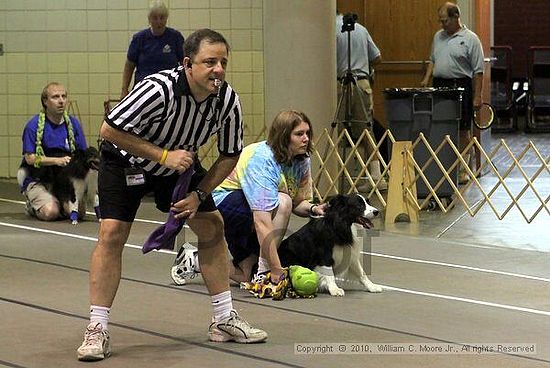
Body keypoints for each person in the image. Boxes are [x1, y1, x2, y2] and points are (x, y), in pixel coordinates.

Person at [76, 29, 267, 362]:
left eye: (223, 62)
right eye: (210, 62)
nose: (219, 69)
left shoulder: (227, 100)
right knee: (111, 233)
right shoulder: (156, 89)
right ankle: (97, 327)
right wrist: (163, 156)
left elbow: (230, 154)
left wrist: (199, 193)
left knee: (212, 226)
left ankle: (223, 319)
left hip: (178, 167)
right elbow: (108, 130)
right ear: (187, 64)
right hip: (125, 162)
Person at [173, 110, 327, 296]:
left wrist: (313, 208)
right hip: (224, 204)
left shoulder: (302, 160)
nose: (306, 139)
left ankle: (194, 260)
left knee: (246, 275)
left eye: (308, 133)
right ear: (284, 136)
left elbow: (298, 202)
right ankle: (263, 272)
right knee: (282, 201)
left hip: (255, 209)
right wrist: (275, 269)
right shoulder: (262, 159)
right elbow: (262, 219)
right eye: (299, 134)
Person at [420, 2, 484, 183]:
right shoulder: (438, 37)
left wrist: (478, 96)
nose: (442, 25)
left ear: (456, 17)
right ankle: (444, 166)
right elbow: (432, 59)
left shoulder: (471, 39)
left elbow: (478, 71)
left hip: (461, 85)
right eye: (440, 21)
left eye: (445, 21)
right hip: (439, 84)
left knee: (463, 128)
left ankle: (465, 168)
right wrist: (426, 78)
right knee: (440, 127)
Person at [17, 82, 89, 221]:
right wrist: (57, 161)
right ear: (45, 101)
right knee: (51, 213)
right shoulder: (33, 126)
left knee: (78, 214)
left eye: (64, 96)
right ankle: (34, 206)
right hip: (38, 178)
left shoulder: (73, 124)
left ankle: (59, 201)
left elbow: (82, 154)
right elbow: (30, 159)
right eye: (55, 97)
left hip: (63, 180)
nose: (61, 101)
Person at [336, 10, 386, 192]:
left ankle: (336, 177)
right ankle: (375, 176)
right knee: (366, 130)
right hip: (362, 82)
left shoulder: (330, 30)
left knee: (340, 132)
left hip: (342, 83)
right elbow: (377, 57)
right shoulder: (362, 29)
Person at [120, 0, 184, 99]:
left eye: (162, 17)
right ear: (149, 19)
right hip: (143, 90)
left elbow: (185, 63)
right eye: (155, 18)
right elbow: (129, 65)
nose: (159, 21)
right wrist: (124, 89)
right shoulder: (139, 38)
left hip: (169, 90)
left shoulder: (175, 37)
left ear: (166, 18)